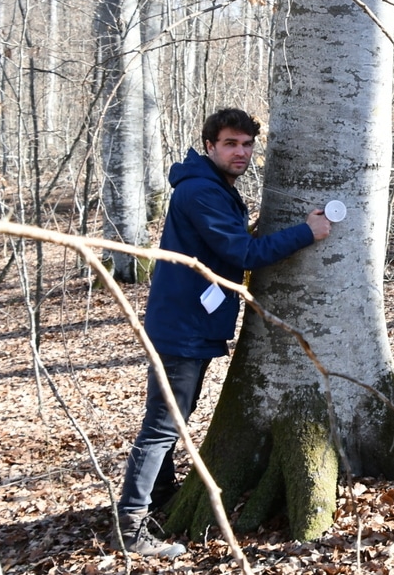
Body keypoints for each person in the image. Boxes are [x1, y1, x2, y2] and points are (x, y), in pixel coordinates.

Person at [113, 108, 333, 557]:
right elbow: (244, 253)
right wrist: (307, 233)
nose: (241, 152)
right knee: (162, 425)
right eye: (231, 144)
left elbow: (223, 245)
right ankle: (131, 527)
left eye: (248, 144)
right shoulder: (200, 192)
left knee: (170, 419)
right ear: (210, 145)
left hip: (187, 322)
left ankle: (158, 500)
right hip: (181, 328)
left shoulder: (212, 188)